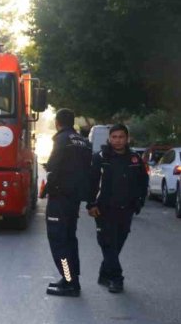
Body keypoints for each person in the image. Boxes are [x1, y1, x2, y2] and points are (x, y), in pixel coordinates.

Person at [85, 123, 148, 294]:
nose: (117, 140)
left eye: (121, 137)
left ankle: (105, 273)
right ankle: (116, 278)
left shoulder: (135, 159)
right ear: (109, 138)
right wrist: (91, 204)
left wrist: (139, 202)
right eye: (114, 137)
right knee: (107, 244)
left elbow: (143, 182)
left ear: (127, 139)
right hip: (104, 209)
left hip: (126, 209)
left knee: (117, 244)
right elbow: (91, 182)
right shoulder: (100, 157)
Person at [43, 108, 92, 296]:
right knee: (70, 239)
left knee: (59, 241)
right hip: (73, 200)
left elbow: (53, 168)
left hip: (60, 198)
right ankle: (72, 279)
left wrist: (48, 188)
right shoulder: (84, 142)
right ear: (73, 122)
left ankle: (69, 281)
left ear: (57, 122)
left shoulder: (61, 139)